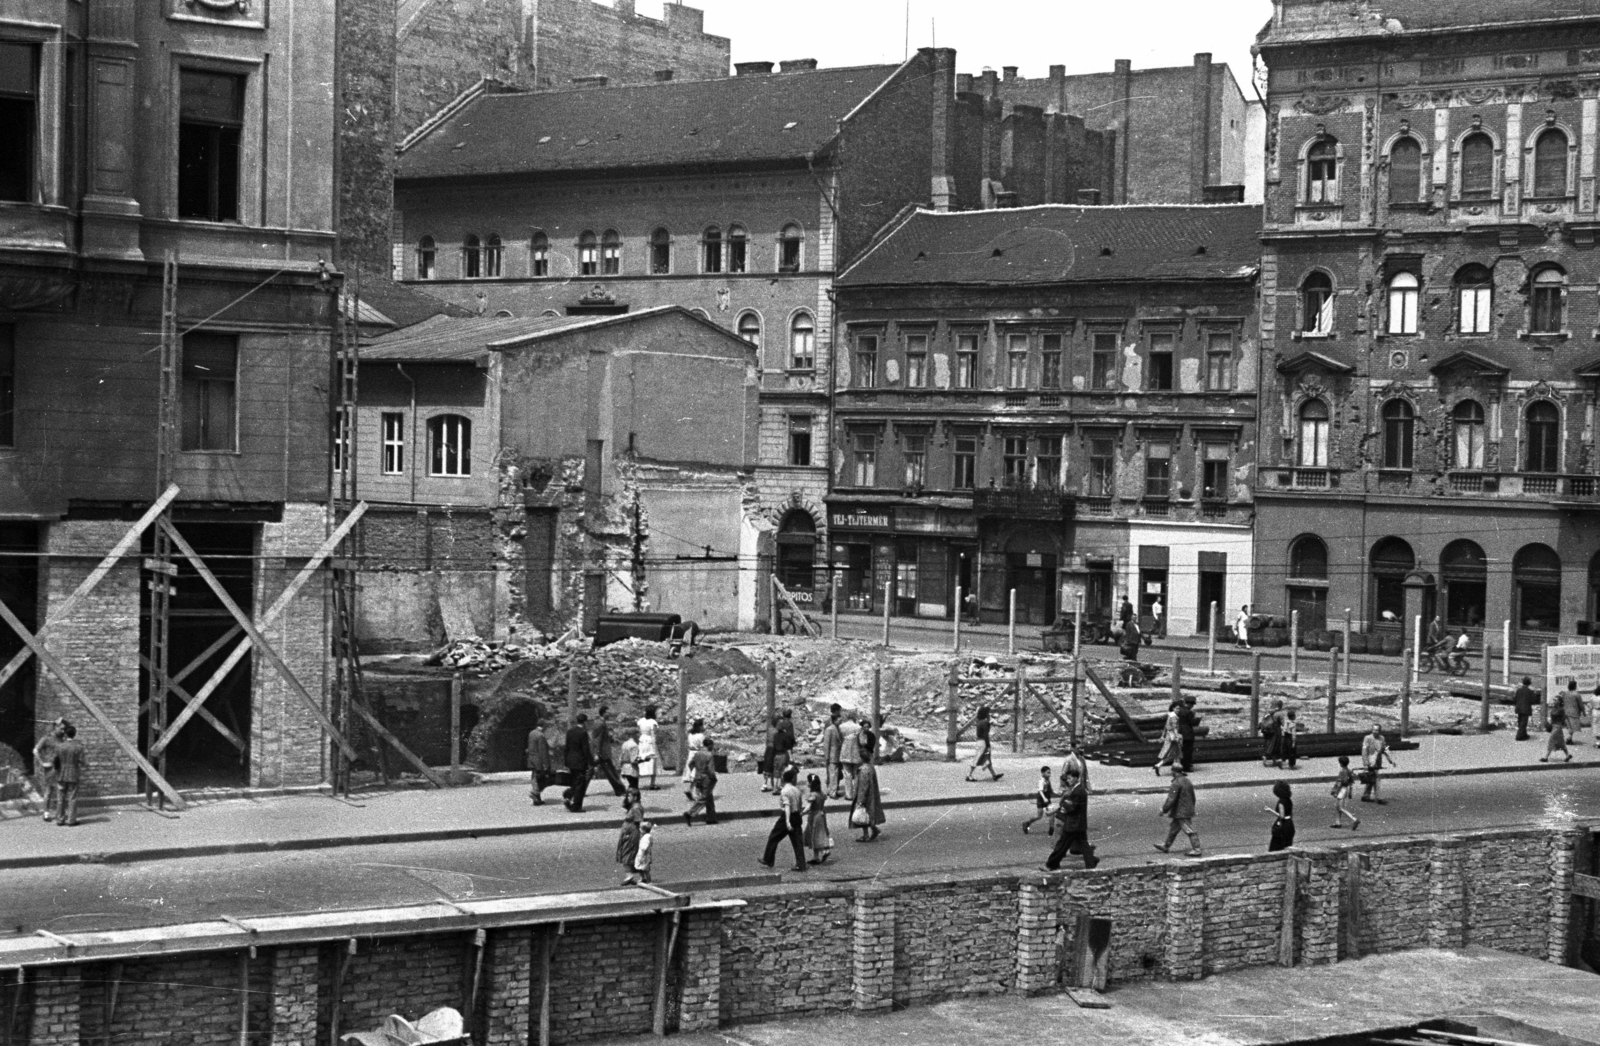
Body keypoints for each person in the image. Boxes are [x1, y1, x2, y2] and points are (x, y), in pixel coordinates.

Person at [1045, 763, 1098, 870]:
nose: (1068, 780)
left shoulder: (1078, 791)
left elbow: (1073, 807)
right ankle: (1091, 862)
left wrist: (1064, 804)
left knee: (1062, 844)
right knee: (1083, 845)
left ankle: (1051, 864)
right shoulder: (1078, 790)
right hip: (1079, 824)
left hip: (1073, 823)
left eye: (1069, 778)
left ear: (1075, 778)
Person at [759, 765, 807, 872]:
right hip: (797, 816)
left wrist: (787, 821)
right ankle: (801, 864)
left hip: (787, 816)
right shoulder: (797, 790)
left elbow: (787, 806)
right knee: (797, 842)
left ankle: (768, 859)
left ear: (783, 779)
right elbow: (799, 804)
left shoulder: (785, 791)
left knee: (774, 836)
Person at [1153, 765, 1200, 856]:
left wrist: (1164, 810)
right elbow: (1193, 797)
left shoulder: (1176, 783)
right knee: (1174, 829)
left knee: (1189, 829)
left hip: (1181, 812)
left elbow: (1171, 799)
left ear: (1173, 771)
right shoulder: (1187, 781)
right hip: (1186, 809)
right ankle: (1166, 846)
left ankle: (1197, 848)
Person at [52, 723, 86, 827]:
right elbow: (82, 762)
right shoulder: (79, 747)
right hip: (73, 774)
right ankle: (71, 820)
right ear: (74, 735)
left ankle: (60, 819)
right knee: (72, 797)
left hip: (61, 774)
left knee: (60, 797)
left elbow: (55, 760)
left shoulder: (59, 746)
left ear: (65, 734)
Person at [32, 718, 64, 822]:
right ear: (55, 727)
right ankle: (46, 813)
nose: (63, 731)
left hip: (60, 768)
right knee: (49, 791)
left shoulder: (62, 739)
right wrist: (42, 763)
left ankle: (60, 814)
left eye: (64, 729)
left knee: (60, 790)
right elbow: (36, 750)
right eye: (61, 729)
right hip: (50, 769)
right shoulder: (47, 738)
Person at [590, 705, 626, 797]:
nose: (609, 714)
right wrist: (597, 753)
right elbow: (597, 739)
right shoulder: (600, 723)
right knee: (610, 771)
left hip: (601, 752)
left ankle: (578, 790)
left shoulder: (602, 723)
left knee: (590, 772)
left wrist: (612, 739)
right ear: (603, 713)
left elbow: (603, 737)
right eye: (608, 712)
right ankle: (620, 790)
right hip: (602, 753)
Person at [683, 737, 719, 825]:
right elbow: (710, 769)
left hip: (698, 777)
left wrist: (694, 771)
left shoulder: (697, 754)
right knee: (704, 798)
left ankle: (711, 818)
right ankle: (690, 813)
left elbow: (690, 764)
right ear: (710, 745)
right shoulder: (709, 755)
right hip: (706, 778)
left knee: (709, 798)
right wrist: (714, 778)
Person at [563, 713, 593, 812]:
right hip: (580, 762)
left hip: (571, 761)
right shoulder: (583, 733)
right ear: (584, 722)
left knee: (575, 781)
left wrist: (566, 761)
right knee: (580, 784)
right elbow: (585, 749)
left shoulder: (569, 732)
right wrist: (591, 762)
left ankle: (569, 796)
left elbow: (566, 748)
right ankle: (576, 806)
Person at [850, 758, 885, 841]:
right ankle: (874, 829)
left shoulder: (863, 770)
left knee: (862, 815)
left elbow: (863, 786)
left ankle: (866, 835)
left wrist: (860, 800)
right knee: (867, 814)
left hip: (864, 796)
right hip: (870, 795)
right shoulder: (870, 767)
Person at [966, 705, 1003, 782]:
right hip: (983, 743)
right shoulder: (985, 722)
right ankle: (969, 775)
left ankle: (994, 775)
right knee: (978, 758)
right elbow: (986, 734)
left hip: (980, 742)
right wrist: (988, 745)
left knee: (987, 757)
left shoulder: (980, 722)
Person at [803, 773, 832, 865]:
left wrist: (801, 813)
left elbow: (808, 807)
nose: (806, 782)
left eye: (808, 781)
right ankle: (816, 857)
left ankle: (824, 852)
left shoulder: (813, 794)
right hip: (821, 815)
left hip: (814, 816)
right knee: (815, 835)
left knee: (814, 835)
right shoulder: (821, 793)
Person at [1359, 723, 1391, 803]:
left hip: (1377, 761)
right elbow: (1364, 751)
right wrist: (1366, 763)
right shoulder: (1367, 738)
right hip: (1370, 762)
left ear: (1380, 731)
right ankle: (1379, 798)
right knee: (1376, 779)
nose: (1375, 731)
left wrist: (1390, 759)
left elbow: (1385, 748)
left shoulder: (1382, 738)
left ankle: (1365, 796)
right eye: (1374, 730)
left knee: (1371, 778)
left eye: (1377, 730)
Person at [617, 790, 643, 883]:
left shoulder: (636, 808)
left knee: (627, 853)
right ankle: (631, 875)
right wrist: (626, 798)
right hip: (628, 833)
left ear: (635, 797)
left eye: (630, 796)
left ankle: (631, 875)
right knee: (627, 853)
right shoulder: (632, 806)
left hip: (631, 834)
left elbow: (639, 821)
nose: (628, 798)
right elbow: (624, 805)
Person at [1021, 765, 1055, 834]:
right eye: (1048, 773)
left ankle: (1051, 828)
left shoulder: (1048, 780)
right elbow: (1040, 791)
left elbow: (1050, 789)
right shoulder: (1041, 781)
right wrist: (1044, 798)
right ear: (1043, 773)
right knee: (1039, 816)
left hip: (1047, 799)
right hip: (1041, 799)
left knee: (1052, 812)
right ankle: (1027, 823)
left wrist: (1056, 793)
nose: (1049, 774)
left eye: (1050, 773)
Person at [526, 721, 554, 805]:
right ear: (543, 726)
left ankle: (537, 799)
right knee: (540, 778)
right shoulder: (540, 735)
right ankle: (535, 793)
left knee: (534, 777)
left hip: (532, 759)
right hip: (539, 761)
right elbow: (543, 752)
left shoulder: (532, 733)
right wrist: (546, 764)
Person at [1330, 755, 1360, 829]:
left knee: (1340, 807)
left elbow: (1339, 783)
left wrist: (1336, 792)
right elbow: (1351, 783)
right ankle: (1338, 822)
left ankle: (1354, 819)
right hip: (1346, 789)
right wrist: (1350, 792)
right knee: (1338, 806)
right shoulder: (1349, 771)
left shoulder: (1342, 771)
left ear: (1340, 763)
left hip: (1341, 790)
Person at [1542, 693, 1574, 762]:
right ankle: (1567, 755)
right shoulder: (1553, 708)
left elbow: (1565, 719)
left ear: (1559, 701)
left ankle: (1545, 757)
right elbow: (1552, 718)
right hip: (1554, 727)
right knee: (1561, 743)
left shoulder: (1561, 710)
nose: (1554, 701)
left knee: (1551, 740)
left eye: (1555, 700)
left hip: (1558, 727)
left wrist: (1569, 728)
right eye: (1554, 700)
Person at [838, 712, 862, 801]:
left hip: (845, 751)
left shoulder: (841, 726)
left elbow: (840, 739)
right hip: (856, 752)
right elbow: (861, 741)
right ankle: (856, 794)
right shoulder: (858, 727)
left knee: (847, 774)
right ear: (854, 717)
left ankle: (849, 794)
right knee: (856, 774)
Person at [1266, 780, 1295, 852]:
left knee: (1276, 847)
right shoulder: (1289, 800)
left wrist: (1270, 810)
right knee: (1287, 846)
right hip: (1290, 825)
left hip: (1283, 827)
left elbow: (1282, 816)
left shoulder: (1281, 802)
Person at [636, 705, 660, 790]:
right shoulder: (652, 722)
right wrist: (654, 746)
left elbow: (639, 731)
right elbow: (653, 734)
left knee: (640, 760)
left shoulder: (641, 721)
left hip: (642, 741)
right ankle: (652, 783)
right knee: (652, 761)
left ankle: (636, 783)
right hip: (649, 742)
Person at [822, 705, 844, 798]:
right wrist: (827, 756)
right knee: (832, 774)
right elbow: (826, 743)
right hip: (832, 755)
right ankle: (832, 791)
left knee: (836, 773)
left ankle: (833, 789)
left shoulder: (837, 727)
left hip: (838, 755)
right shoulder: (829, 726)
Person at [1156, 702, 1181, 776]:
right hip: (1173, 738)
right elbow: (1175, 728)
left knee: (1176, 754)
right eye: (1177, 708)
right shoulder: (1174, 717)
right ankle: (1159, 765)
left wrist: (1163, 736)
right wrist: (1177, 736)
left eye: (1179, 708)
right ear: (1173, 708)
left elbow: (1165, 727)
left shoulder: (1170, 715)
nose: (1178, 710)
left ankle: (1177, 770)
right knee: (1175, 754)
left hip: (1168, 736)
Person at [773, 708, 797, 783]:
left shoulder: (781, 723)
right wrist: (794, 743)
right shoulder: (789, 724)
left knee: (780, 765)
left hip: (780, 746)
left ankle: (781, 781)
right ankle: (789, 780)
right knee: (789, 763)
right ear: (790, 716)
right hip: (788, 746)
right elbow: (791, 736)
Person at [1261, 699, 1284, 769]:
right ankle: (1266, 757)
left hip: (1269, 731)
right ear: (1281, 706)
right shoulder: (1279, 713)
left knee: (1270, 744)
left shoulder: (1270, 712)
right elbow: (1283, 724)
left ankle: (1273, 761)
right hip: (1276, 731)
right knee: (1276, 745)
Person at [1561, 680, 1586, 746]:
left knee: (1569, 726)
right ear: (1575, 686)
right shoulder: (1576, 694)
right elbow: (1581, 704)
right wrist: (1583, 712)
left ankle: (1569, 738)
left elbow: (1562, 702)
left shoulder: (1565, 694)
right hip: (1574, 712)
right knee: (1572, 726)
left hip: (1566, 712)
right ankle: (1569, 738)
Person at [1177, 695, 1198, 772]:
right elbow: (1192, 722)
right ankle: (1186, 767)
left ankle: (1181, 765)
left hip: (1180, 732)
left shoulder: (1179, 710)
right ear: (1190, 704)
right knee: (1188, 751)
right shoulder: (1189, 712)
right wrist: (1197, 719)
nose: (1192, 706)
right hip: (1188, 734)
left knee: (1182, 750)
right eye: (1192, 705)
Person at [1513, 677, 1538, 741]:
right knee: (1523, 723)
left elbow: (1515, 699)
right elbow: (1533, 700)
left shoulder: (1518, 690)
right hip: (1526, 708)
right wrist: (1534, 694)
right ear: (1529, 683)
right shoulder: (1530, 691)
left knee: (1520, 721)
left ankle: (1524, 734)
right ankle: (1519, 736)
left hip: (1518, 708)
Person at [620, 729, 641, 793]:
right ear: (635, 735)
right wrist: (644, 759)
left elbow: (621, 757)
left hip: (625, 768)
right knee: (634, 789)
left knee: (631, 786)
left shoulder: (625, 743)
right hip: (632, 769)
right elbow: (633, 760)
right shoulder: (634, 745)